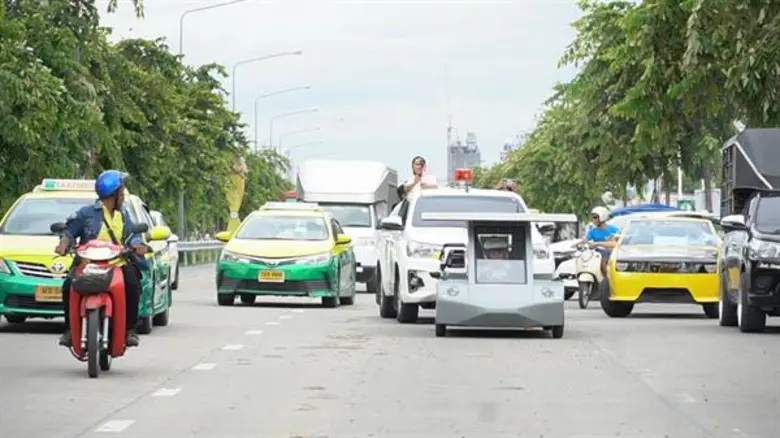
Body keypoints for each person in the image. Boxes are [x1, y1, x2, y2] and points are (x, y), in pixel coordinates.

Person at [55, 170, 149, 348]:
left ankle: (129, 330)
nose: (123, 194)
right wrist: (63, 244)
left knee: (133, 283)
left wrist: (138, 246)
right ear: (113, 194)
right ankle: (70, 330)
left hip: (117, 264)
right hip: (87, 264)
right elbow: (68, 233)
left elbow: (132, 236)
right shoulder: (85, 214)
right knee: (68, 286)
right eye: (121, 191)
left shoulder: (123, 214)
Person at [581, 206, 619, 276]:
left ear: (602, 217)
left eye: (595, 217)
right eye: (592, 218)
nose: (593, 220)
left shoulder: (614, 230)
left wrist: (598, 244)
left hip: (609, 254)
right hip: (596, 253)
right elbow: (586, 240)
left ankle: (607, 280)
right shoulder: (592, 231)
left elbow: (615, 244)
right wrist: (579, 243)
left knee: (602, 262)